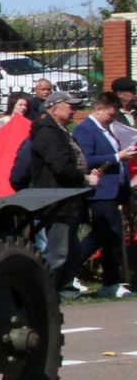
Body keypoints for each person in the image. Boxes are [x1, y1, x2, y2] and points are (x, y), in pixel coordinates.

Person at [11, 92, 90, 294]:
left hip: (68, 200)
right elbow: (60, 166)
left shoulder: (59, 130)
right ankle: (37, 295)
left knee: (70, 253)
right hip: (57, 201)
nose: (74, 110)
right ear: (54, 108)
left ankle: (58, 293)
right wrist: (84, 179)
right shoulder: (47, 131)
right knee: (57, 254)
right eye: (70, 106)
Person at [73, 92, 135, 299]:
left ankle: (105, 280)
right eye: (110, 114)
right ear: (98, 109)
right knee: (107, 235)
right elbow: (86, 159)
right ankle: (76, 272)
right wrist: (118, 156)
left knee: (106, 235)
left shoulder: (107, 130)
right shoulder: (86, 130)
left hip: (113, 191)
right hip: (100, 192)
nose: (112, 118)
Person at [0, 93, 34, 199]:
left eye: (25, 106)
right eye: (20, 105)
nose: (23, 108)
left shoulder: (27, 123)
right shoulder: (3, 121)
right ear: (13, 105)